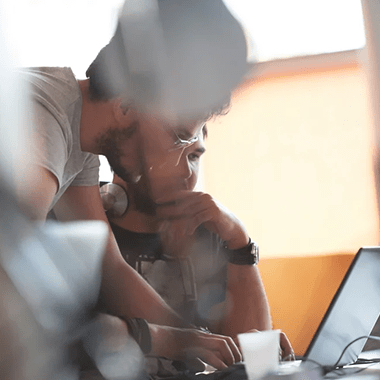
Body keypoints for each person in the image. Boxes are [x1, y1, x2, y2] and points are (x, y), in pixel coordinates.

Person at [15, 0, 251, 374]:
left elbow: (110, 269)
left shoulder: (81, 137)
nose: (178, 164)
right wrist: (160, 339)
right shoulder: (41, 118)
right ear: (126, 106)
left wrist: (197, 340)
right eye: (176, 137)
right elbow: (14, 293)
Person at [102, 124, 294, 376]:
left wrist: (239, 240)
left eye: (194, 156)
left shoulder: (207, 234)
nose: (186, 172)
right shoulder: (88, 225)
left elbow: (249, 366)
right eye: (172, 151)